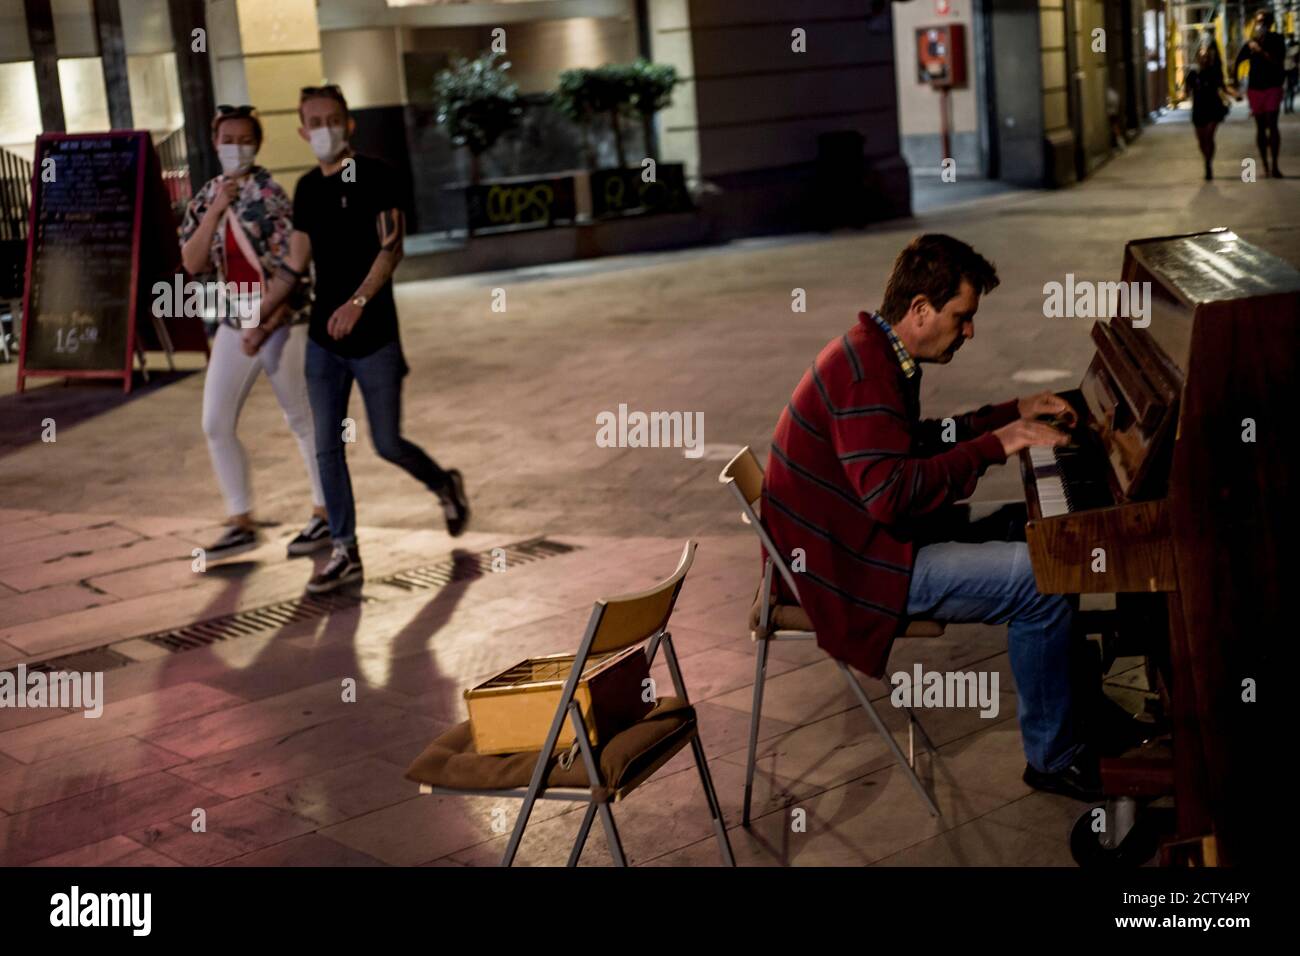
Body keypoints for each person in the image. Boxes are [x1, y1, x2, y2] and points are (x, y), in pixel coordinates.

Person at [762, 234, 1141, 801]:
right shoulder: (866, 375)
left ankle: (1081, 706)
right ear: (920, 309)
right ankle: (1054, 756)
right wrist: (997, 444)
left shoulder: (876, 353)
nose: (969, 331)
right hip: (852, 570)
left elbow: (916, 439)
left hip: (863, 543)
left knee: (1039, 530)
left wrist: (1008, 414)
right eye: (962, 317)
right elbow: (890, 494)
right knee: (1039, 581)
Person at [290, 84, 470, 595]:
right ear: (302, 131)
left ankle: (443, 484)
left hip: (374, 338)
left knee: (386, 442)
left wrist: (357, 302)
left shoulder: (375, 175)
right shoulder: (305, 189)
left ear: (348, 124)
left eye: (332, 119)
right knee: (327, 448)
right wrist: (261, 318)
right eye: (313, 121)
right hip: (323, 343)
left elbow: (391, 250)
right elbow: (294, 264)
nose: (323, 128)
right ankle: (344, 549)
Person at [179, 105, 330, 560]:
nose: (236, 147)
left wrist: (266, 323)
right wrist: (216, 210)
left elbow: (294, 266)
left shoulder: (272, 196)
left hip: (282, 320)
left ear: (257, 144)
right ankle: (240, 519)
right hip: (234, 319)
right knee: (215, 422)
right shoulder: (207, 195)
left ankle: (326, 514)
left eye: (245, 139)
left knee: (302, 419)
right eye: (228, 138)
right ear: (214, 140)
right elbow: (192, 262)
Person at [1234, 10, 1287, 177]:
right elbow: (1238, 61)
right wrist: (1234, 81)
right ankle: (1265, 165)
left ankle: (1275, 166)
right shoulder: (1251, 43)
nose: (1260, 25)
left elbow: (1278, 61)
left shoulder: (1277, 39)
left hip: (1273, 86)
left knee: (1272, 123)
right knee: (1260, 127)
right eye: (1258, 22)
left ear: (1269, 23)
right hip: (1255, 88)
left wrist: (1261, 51)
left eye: (1263, 22)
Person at [1184, 41, 1230, 180]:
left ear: (1210, 58)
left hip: (1213, 107)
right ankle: (1206, 159)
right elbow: (1187, 92)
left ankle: (1208, 164)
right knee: (1201, 140)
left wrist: (1234, 96)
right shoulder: (1192, 74)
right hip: (1198, 109)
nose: (1204, 59)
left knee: (1209, 137)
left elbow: (1223, 88)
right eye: (1201, 56)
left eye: (1206, 56)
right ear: (1197, 58)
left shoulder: (1214, 72)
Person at [1284, 33, 1299, 114]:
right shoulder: (1287, 47)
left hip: (1292, 69)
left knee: (1291, 89)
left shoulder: (1295, 46)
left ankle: (1289, 107)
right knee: (1287, 89)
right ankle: (1287, 107)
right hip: (1287, 70)